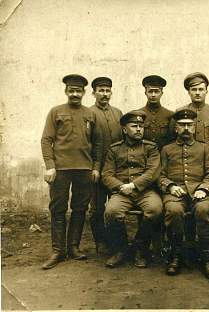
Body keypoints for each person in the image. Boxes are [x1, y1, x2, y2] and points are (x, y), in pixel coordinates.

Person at [40, 74, 102, 269]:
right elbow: (46, 140)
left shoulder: (90, 114)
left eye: (78, 91)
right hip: (61, 169)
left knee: (80, 208)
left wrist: (96, 168)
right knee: (58, 208)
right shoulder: (56, 112)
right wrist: (50, 166)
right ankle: (58, 251)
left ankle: (74, 247)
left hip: (84, 169)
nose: (75, 94)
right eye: (71, 90)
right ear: (66, 91)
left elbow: (98, 142)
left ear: (84, 93)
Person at [159, 109, 209, 279]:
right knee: (174, 211)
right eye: (182, 125)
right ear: (176, 128)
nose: (186, 128)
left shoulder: (204, 148)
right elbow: (160, 175)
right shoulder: (167, 149)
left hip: (200, 192)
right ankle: (176, 256)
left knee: (204, 210)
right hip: (176, 193)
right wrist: (170, 186)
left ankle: (207, 258)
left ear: (194, 128)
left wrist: (203, 189)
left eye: (189, 125)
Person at [101, 110, 163, 268]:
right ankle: (120, 250)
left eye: (141, 126)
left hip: (145, 191)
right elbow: (106, 174)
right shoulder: (114, 149)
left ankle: (140, 249)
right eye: (134, 126)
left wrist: (134, 185)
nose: (138, 129)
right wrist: (120, 186)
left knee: (155, 209)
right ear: (124, 129)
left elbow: (153, 172)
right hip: (122, 192)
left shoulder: (151, 148)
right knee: (111, 211)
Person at [89, 76, 123, 255]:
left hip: (116, 170)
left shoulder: (118, 113)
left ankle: (116, 242)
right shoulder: (89, 113)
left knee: (117, 205)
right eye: (100, 90)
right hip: (96, 169)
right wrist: (94, 167)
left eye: (107, 90)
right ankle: (100, 241)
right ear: (93, 93)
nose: (104, 94)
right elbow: (87, 143)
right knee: (97, 207)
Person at [173, 72, 209, 156]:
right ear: (189, 92)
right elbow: (173, 138)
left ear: (206, 91)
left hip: (208, 158)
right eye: (194, 89)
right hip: (186, 157)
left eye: (201, 89)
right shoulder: (180, 112)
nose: (197, 93)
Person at [139, 75, 174, 150]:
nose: (153, 95)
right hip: (144, 156)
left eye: (156, 91)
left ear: (162, 93)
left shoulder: (170, 115)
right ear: (145, 93)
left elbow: (172, 141)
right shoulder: (139, 114)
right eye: (150, 91)